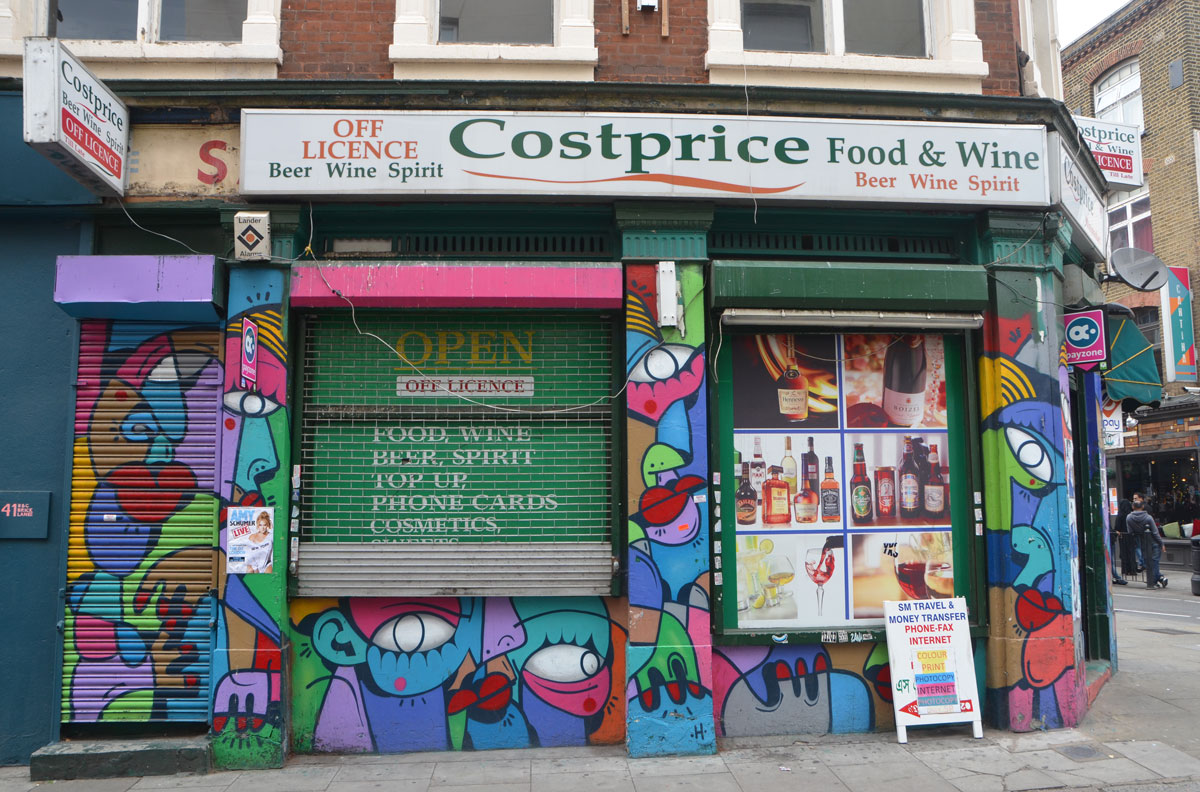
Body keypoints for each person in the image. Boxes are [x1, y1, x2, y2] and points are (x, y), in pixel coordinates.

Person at [1127, 495, 1166, 589]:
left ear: (1133, 507)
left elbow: (1130, 532)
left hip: (1143, 542)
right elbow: (1155, 532)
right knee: (1154, 562)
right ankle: (1155, 580)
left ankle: (1157, 579)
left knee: (1148, 562)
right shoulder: (1148, 517)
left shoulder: (1129, 518)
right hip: (1153, 542)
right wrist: (1161, 543)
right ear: (1143, 506)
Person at [1110, 500, 1128, 585]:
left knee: (1111, 561)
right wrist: (1115, 532)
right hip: (1110, 540)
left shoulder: (1120, 515)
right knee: (1111, 561)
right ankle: (1117, 577)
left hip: (1111, 540)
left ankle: (1115, 577)